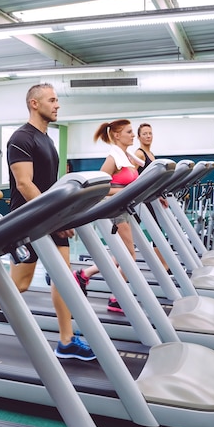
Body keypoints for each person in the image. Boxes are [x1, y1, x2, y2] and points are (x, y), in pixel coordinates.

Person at [0, 83, 96, 361]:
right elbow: (25, 184)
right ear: (34, 104)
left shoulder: (48, 140)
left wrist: (61, 215)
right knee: (20, 283)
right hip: (28, 220)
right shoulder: (21, 138)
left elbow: (49, 186)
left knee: (64, 281)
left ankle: (66, 341)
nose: (57, 105)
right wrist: (53, 217)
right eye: (52, 100)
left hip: (50, 218)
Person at [73, 119, 143, 312]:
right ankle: (116, 298)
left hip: (124, 208)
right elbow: (100, 187)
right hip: (115, 211)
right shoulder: (112, 158)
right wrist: (122, 193)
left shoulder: (127, 157)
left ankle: (83, 274)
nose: (133, 135)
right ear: (117, 135)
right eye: (129, 132)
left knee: (122, 255)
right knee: (129, 256)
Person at [134, 122, 170, 271]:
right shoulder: (139, 153)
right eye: (145, 134)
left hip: (149, 197)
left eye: (150, 133)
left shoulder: (151, 154)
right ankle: (164, 266)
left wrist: (160, 195)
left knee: (156, 230)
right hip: (140, 200)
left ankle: (164, 266)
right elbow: (132, 175)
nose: (148, 136)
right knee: (155, 231)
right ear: (139, 136)